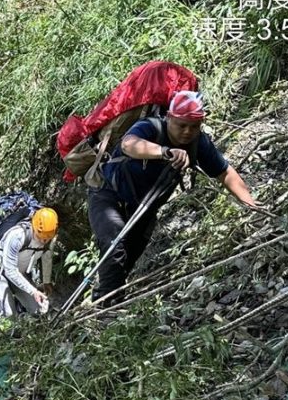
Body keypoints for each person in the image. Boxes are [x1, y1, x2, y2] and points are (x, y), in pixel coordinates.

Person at [88, 90, 259, 305]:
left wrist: (249, 202)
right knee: (113, 245)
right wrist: (165, 151)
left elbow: (224, 172)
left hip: (144, 208)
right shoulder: (151, 127)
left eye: (194, 126)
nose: (188, 132)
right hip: (107, 194)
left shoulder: (199, 143)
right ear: (169, 117)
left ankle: (104, 303)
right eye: (181, 125)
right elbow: (128, 144)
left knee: (125, 260)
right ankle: (106, 309)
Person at [0, 207, 58, 317]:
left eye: (47, 237)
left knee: (39, 310)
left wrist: (46, 281)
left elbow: (46, 257)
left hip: (21, 273)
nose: (44, 241)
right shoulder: (17, 236)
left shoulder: (49, 239)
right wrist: (33, 291)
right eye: (41, 236)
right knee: (9, 314)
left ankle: (29, 329)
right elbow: (10, 270)